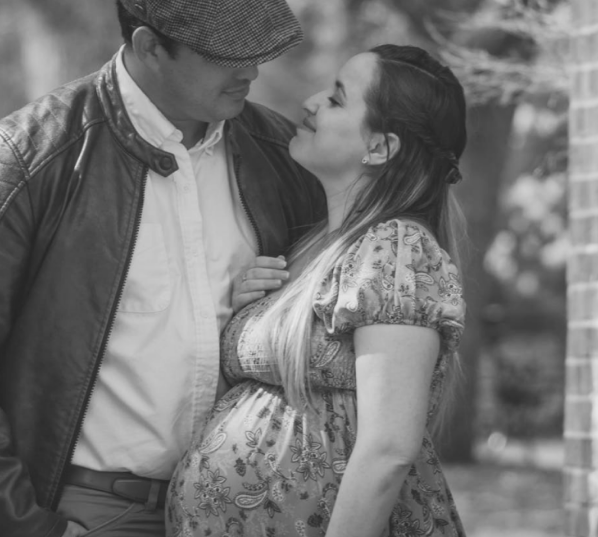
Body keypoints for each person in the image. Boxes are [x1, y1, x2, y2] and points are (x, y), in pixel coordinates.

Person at [0, 1, 326, 536]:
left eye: (255, 52)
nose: (250, 71)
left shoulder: (281, 154)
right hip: (90, 511)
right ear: (150, 45)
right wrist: (28, 529)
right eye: (227, 55)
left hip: (250, 508)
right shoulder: (27, 152)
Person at [166, 44, 469, 537]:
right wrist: (255, 311)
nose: (310, 101)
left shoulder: (396, 249)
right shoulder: (319, 249)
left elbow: (389, 449)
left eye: (337, 98)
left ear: (379, 148)